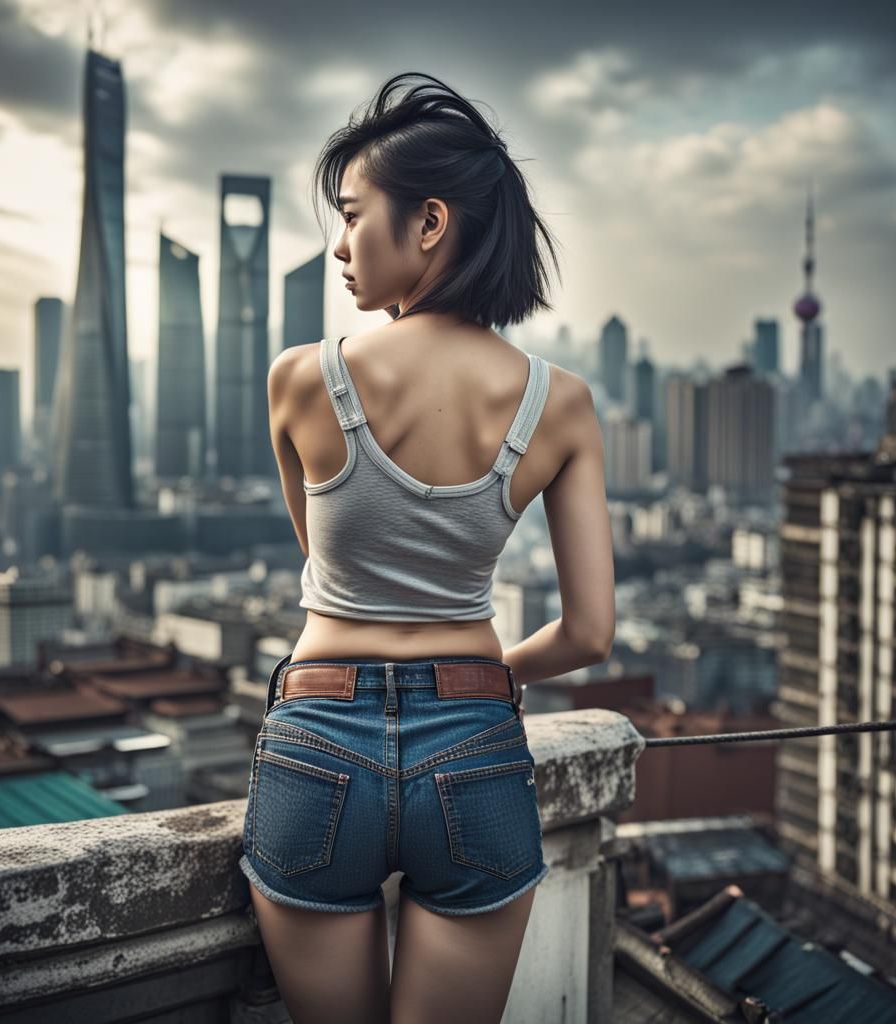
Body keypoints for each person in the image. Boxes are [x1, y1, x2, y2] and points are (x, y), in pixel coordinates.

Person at [239, 71, 615, 1024]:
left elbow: (325, 580)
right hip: (476, 751)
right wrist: (490, 672)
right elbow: (590, 633)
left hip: (320, 741)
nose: (340, 245)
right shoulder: (557, 403)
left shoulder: (300, 381)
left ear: (430, 223)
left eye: (355, 216)